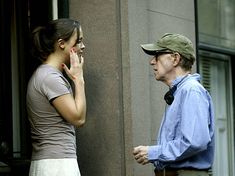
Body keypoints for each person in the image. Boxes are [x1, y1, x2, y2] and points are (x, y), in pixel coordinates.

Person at [133, 33, 215, 176]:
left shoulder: (191, 90)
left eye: (157, 55)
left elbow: (194, 142)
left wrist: (153, 152)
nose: (152, 62)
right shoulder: (182, 91)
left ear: (175, 59)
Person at [26, 18, 86, 176]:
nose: (83, 46)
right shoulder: (50, 77)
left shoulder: (46, 75)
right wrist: (79, 80)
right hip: (57, 164)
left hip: (52, 162)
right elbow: (78, 118)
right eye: (78, 41)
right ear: (62, 44)